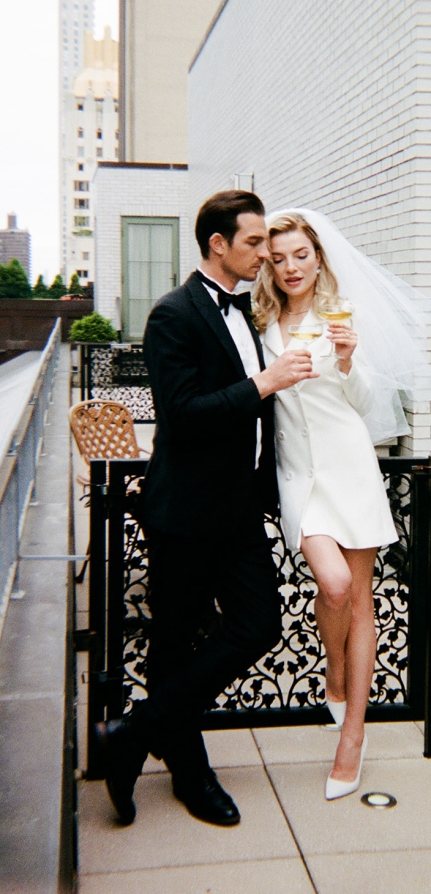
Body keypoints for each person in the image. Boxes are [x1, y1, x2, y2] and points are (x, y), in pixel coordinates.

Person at [95, 190, 316, 826]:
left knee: (259, 626)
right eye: (253, 244)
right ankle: (189, 772)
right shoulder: (173, 315)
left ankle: (131, 736)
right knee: (172, 645)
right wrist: (263, 384)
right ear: (218, 245)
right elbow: (184, 416)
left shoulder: (247, 311)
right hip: (186, 513)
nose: (264, 255)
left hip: (241, 510)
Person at [253, 209, 428, 800]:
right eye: (278, 259)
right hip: (298, 475)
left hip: (350, 470)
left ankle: (353, 733)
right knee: (331, 585)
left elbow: (369, 402)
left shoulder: (339, 318)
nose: (290, 267)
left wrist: (349, 361)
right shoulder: (260, 321)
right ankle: (334, 669)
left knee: (361, 602)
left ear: (319, 256)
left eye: (300, 255)